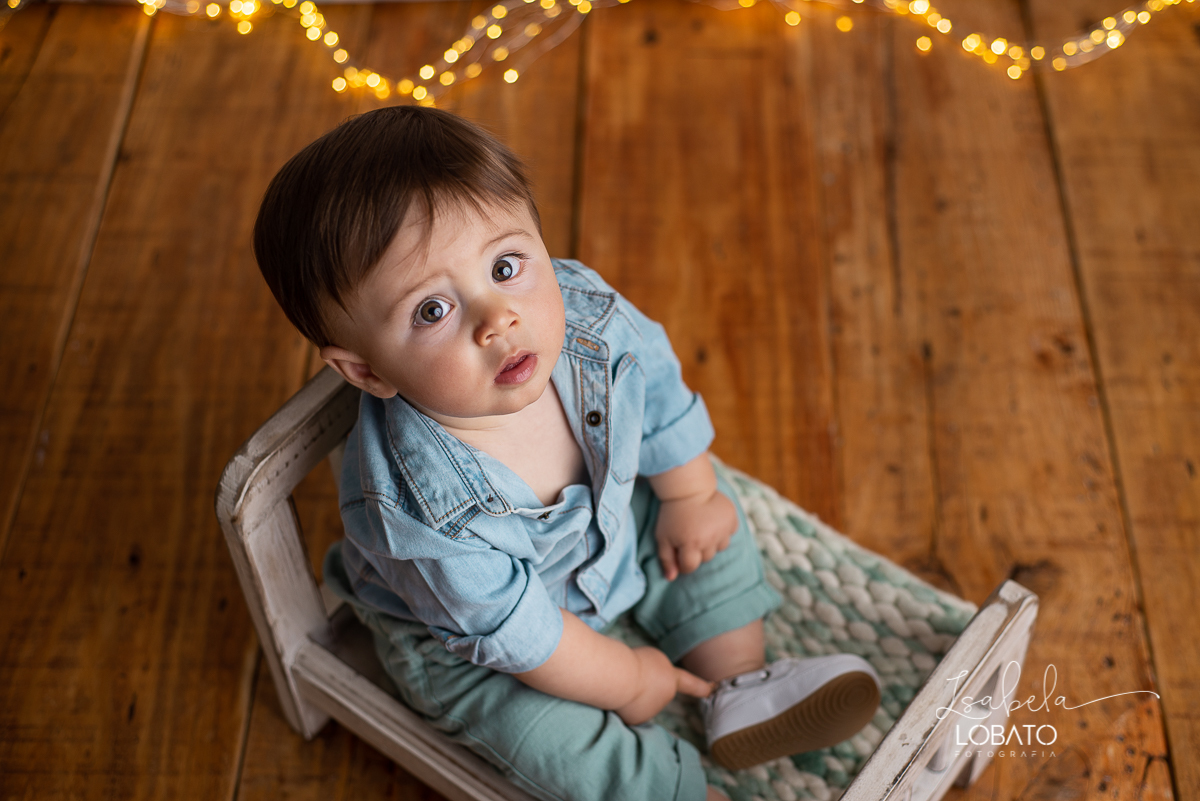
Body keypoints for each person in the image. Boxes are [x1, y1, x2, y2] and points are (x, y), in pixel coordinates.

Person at [253, 105, 881, 801]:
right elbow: (523, 636)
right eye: (433, 310)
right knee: (545, 741)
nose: (498, 318)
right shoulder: (415, 510)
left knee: (712, 530)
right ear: (367, 371)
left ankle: (739, 681)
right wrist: (630, 677)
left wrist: (687, 495)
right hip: (480, 643)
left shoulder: (583, 315)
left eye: (506, 264)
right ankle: (664, 787)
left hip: (610, 533)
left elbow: (657, 384)